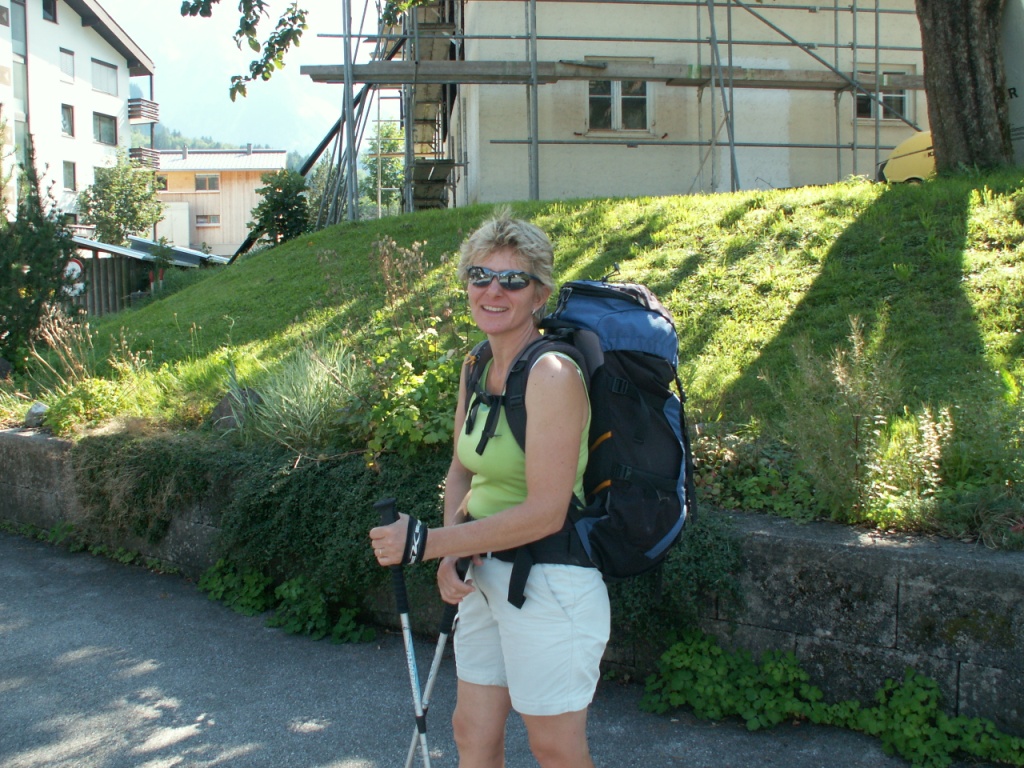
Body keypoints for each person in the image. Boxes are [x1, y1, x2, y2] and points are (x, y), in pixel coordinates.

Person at [369, 208, 610, 768]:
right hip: (484, 576)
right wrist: (451, 550)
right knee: (472, 733)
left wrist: (427, 543)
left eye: (513, 279)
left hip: (550, 581)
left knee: (554, 748)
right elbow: (462, 469)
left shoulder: (552, 374)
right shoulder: (476, 363)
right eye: (480, 275)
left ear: (539, 294)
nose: (493, 291)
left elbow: (546, 512)